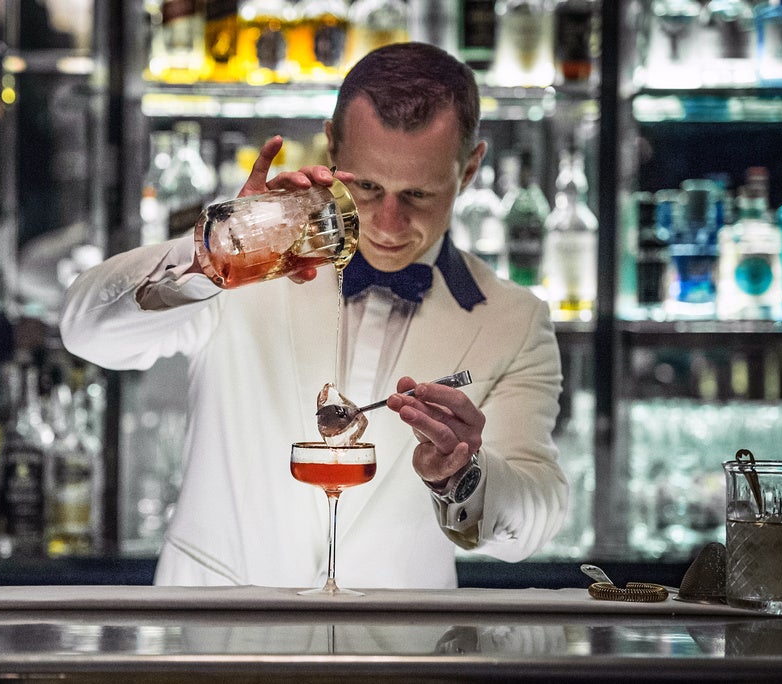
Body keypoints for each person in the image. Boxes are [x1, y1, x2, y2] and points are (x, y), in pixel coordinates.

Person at [60, 43, 569, 589]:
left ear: (468, 170)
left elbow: (539, 516)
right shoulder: (245, 260)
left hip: (398, 659)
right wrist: (215, 255)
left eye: (419, 194)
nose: (388, 223)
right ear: (332, 145)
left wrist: (463, 476)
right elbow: (86, 332)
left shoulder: (513, 320)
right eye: (368, 186)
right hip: (216, 644)